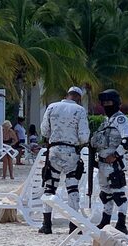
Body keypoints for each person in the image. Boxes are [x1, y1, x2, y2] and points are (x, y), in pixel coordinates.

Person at [38, 86, 90, 235]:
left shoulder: (52, 107)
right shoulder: (79, 111)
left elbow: (44, 131)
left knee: (50, 187)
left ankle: (46, 225)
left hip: (53, 151)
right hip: (70, 153)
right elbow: (84, 136)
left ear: (67, 95)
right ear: (79, 98)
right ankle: (73, 226)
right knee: (72, 188)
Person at [90, 89, 128, 234]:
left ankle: (121, 223)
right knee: (105, 194)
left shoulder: (121, 119)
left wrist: (116, 155)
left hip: (113, 164)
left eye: (109, 102)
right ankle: (105, 220)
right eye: (104, 103)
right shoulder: (107, 121)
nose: (106, 105)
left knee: (118, 194)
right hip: (102, 164)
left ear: (116, 103)